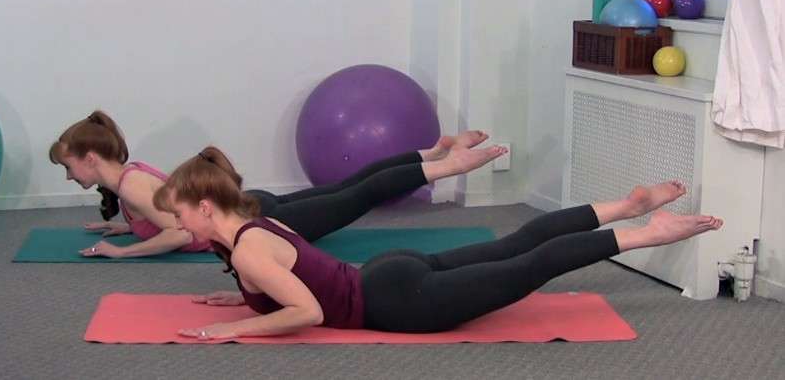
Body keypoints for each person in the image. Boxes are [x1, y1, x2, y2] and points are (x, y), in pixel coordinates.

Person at [155, 146, 723, 339]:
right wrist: (248, 295)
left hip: (399, 302)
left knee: (528, 267)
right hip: (389, 272)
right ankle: (626, 207)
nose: (178, 226)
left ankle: (644, 232)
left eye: (179, 215)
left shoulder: (246, 250)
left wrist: (233, 328)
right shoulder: (252, 224)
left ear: (205, 206)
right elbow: (295, 275)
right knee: (519, 243)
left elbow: (308, 310)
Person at [50, 110, 499, 258]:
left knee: (358, 193)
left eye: (70, 168)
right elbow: (162, 214)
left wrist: (122, 253)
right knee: (353, 187)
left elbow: (180, 232)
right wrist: (127, 226)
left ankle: (447, 165)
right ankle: (433, 152)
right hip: (256, 207)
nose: (70, 177)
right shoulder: (131, 177)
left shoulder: (130, 187)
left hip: (261, 223)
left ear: (91, 159)